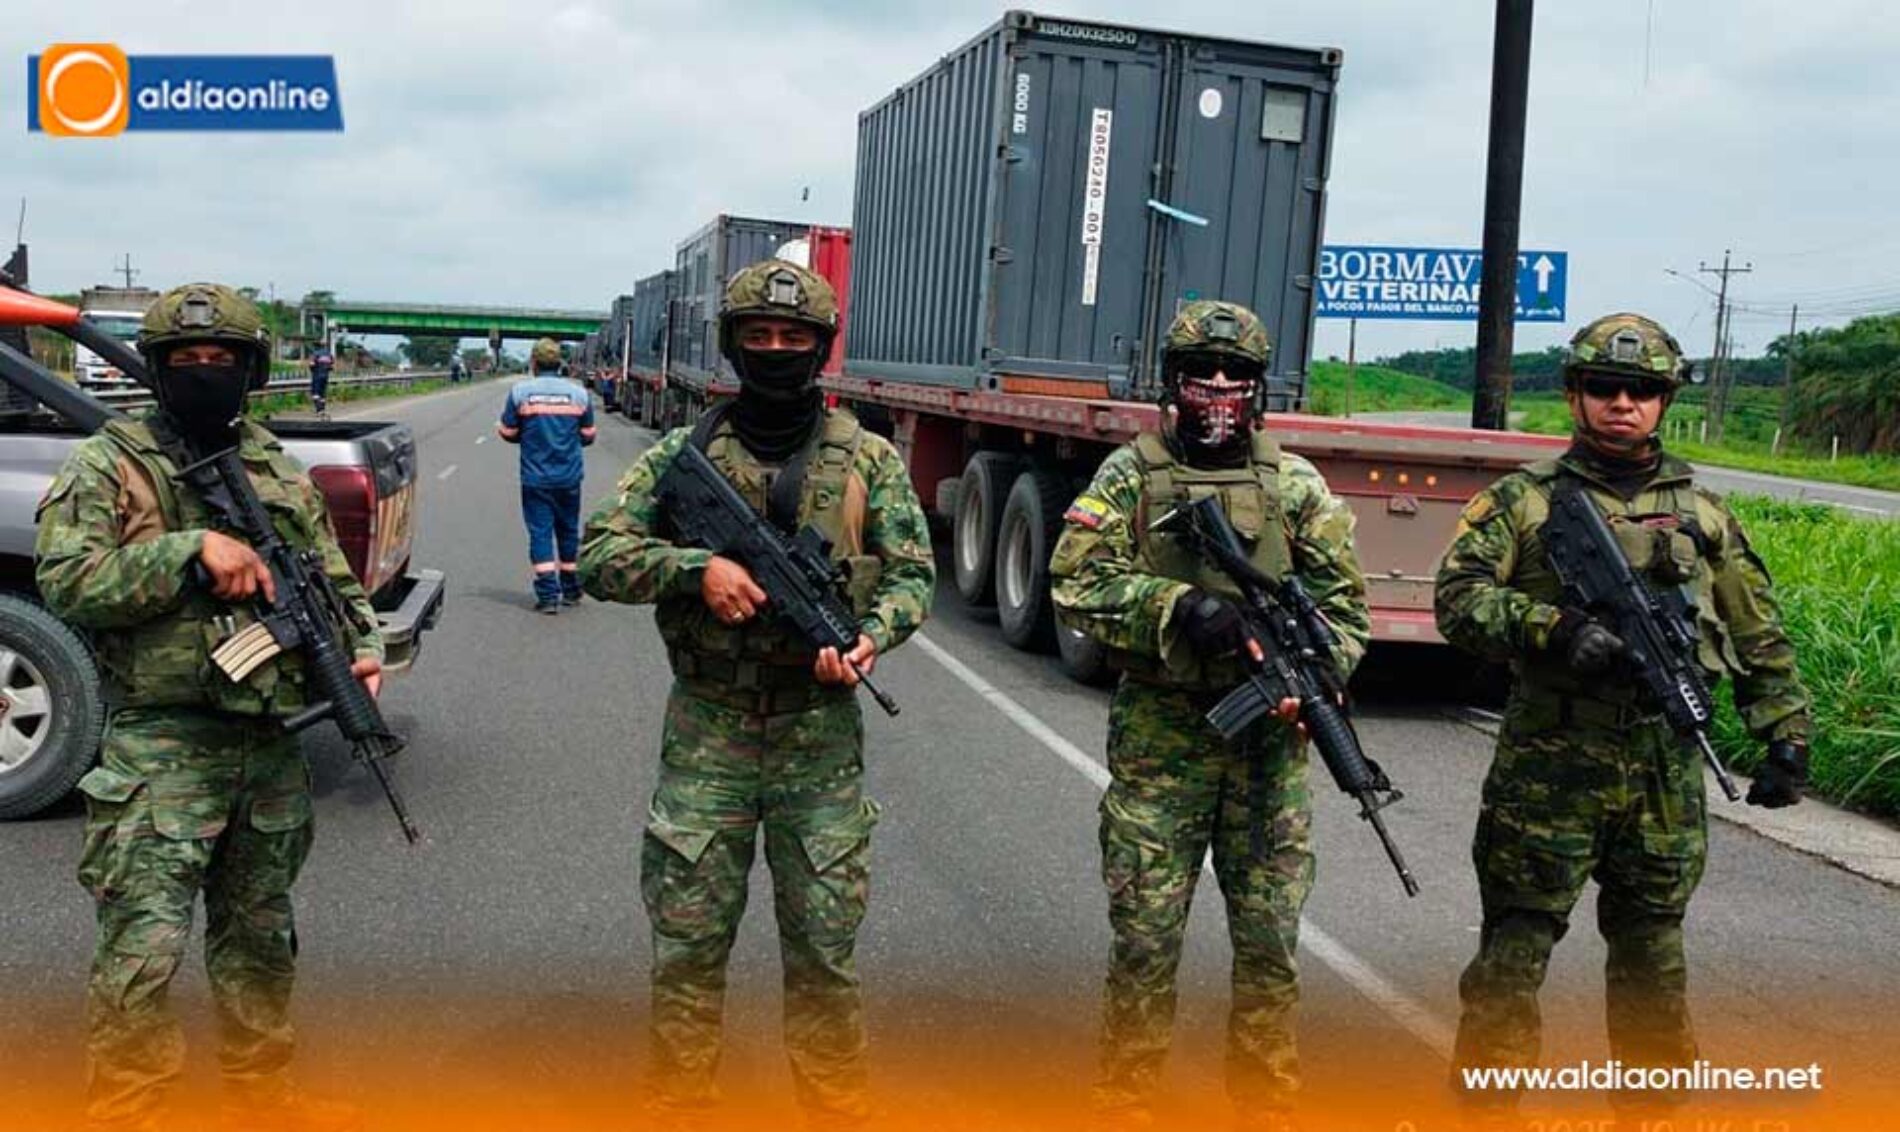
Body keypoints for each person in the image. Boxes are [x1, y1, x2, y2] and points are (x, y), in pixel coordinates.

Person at [578, 259, 934, 1130]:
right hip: (710, 733)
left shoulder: (869, 460)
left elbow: (914, 577)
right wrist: (694, 568)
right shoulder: (681, 457)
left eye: (795, 339)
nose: (777, 352)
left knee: (824, 957)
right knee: (689, 954)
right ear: (735, 345)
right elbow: (597, 557)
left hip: (820, 742)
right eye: (760, 338)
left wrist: (868, 636)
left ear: (820, 350)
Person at [1435, 312, 1814, 1123]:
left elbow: (1756, 628)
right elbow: (1457, 602)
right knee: (1513, 955)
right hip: (1551, 763)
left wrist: (1784, 732)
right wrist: (1555, 627)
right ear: (1574, 394)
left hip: (1663, 768)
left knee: (1653, 960)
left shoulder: (1703, 514)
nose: (1621, 403)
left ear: (1664, 401)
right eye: (1603, 387)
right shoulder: (1524, 504)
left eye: (1640, 390)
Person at [36, 283, 384, 1132]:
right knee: (139, 962)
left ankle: (263, 1100)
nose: (203, 374)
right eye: (184, 362)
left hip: (266, 750)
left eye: (220, 361)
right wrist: (187, 551)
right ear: (156, 371)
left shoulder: (273, 465)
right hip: (162, 746)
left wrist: (363, 645)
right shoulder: (110, 463)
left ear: (250, 370)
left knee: (262, 946)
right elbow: (67, 582)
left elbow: (331, 576)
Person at [1050, 301, 1371, 1131]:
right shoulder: (1130, 476)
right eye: (1203, 376)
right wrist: (1176, 607)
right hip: (1162, 745)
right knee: (1146, 947)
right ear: (1175, 384)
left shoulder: (1294, 485)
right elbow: (1075, 582)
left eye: (1238, 377)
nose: (1220, 390)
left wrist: (1315, 678)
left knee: (1270, 952)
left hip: (1268, 762)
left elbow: (1344, 616)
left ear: (1260, 388)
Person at [498, 337, 596, 613]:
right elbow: (588, 436)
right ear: (560, 363)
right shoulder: (579, 394)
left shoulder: (521, 393)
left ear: (533, 363)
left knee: (540, 534)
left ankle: (548, 595)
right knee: (568, 532)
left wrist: (529, 436)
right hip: (569, 478)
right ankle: (572, 589)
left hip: (535, 479)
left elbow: (508, 431)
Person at [307, 344, 334, 416]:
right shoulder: (329, 354)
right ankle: (323, 409)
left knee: (315, 393)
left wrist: (312, 370)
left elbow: (311, 364)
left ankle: (318, 410)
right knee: (323, 394)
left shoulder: (315, 354)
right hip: (325, 376)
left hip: (317, 375)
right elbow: (331, 366)